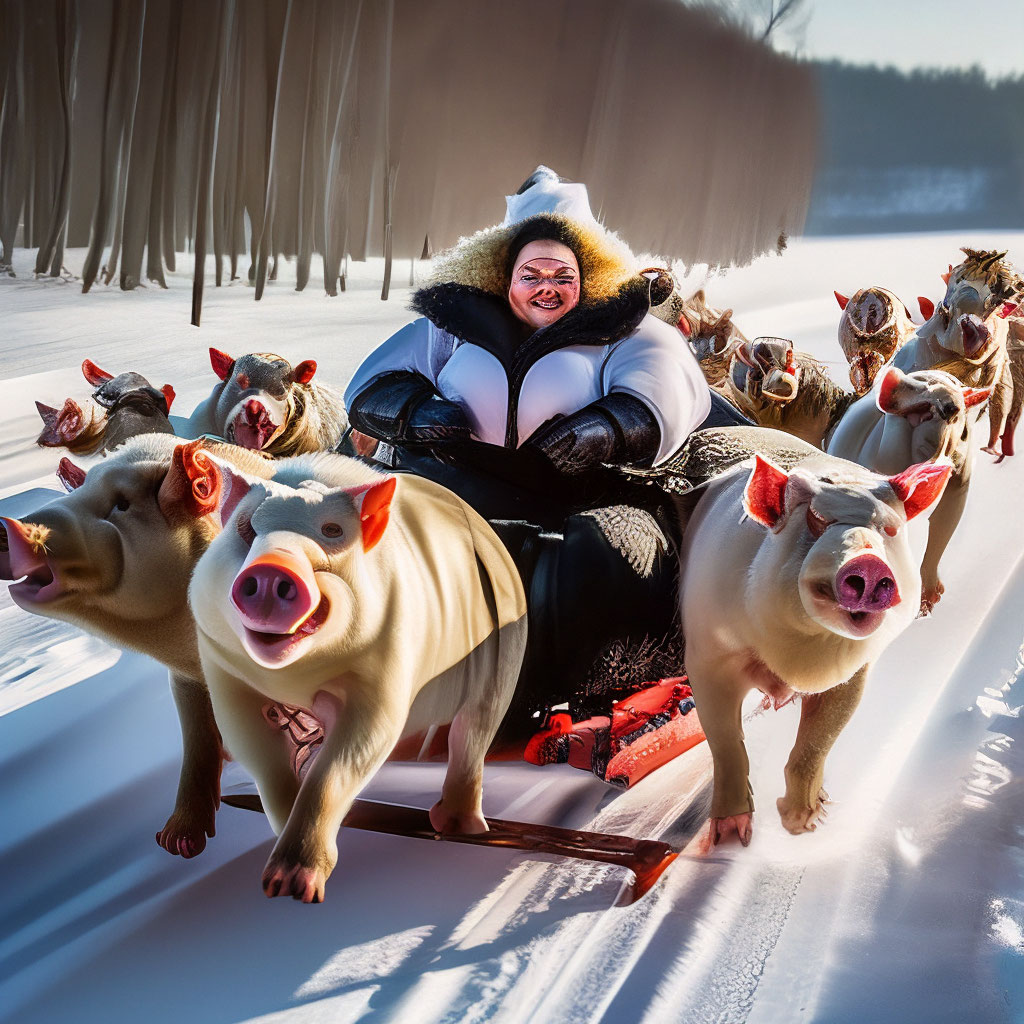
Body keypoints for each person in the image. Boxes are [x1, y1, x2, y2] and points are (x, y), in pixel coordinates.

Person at [344, 168, 727, 745]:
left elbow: (668, 385)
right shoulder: (450, 326)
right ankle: (371, 672)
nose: (546, 287)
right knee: (386, 533)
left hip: (581, 492)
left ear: (588, 275)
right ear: (505, 276)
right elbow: (371, 383)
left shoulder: (623, 326)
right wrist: (415, 412)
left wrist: (610, 427)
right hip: (460, 482)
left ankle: (565, 695)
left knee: (595, 556)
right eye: (532, 274)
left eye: (561, 275)